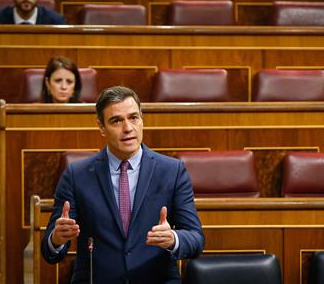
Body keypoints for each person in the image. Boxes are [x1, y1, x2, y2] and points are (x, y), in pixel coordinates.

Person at [41, 86, 204, 283]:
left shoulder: (172, 171)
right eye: (116, 120)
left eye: (133, 117)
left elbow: (196, 239)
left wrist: (173, 239)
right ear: (101, 127)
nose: (128, 128)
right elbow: (49, 252)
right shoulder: (77, 175)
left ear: (142, 119)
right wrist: (57, 239)